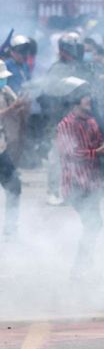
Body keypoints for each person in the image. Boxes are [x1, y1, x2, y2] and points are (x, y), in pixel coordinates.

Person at [56, 80, 104, 276]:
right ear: (76, 100)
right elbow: (69, 153)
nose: (90, 100)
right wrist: (96, 152)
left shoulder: (91, 121)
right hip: (75, 184)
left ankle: (85, 263)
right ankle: (80, 267)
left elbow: (97, 143)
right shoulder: (65, 124)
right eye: (85, 96)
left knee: (95, 224)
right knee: (93, 223)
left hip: (92, 182)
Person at [0, 65, 26, 237]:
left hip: (1, 148)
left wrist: (19, 105)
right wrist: (11, 108)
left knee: (14, 185)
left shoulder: (5, 90)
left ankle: (10, 229)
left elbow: (16, 107)